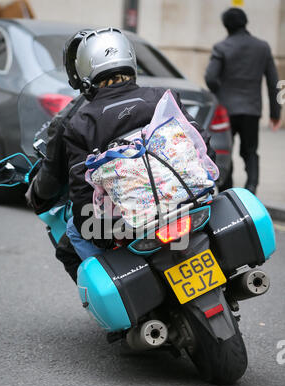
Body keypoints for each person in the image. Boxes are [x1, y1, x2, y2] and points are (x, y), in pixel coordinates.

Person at [27, 27, 216, 282]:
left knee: (73, 233)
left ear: (84, 71)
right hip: (189, 201)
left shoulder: (81, 123)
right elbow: (203, 148)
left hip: (129, 223)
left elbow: (83, 194)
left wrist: (100, 235)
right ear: (130, 59)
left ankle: (124, 310)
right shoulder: (162, 98)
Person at [205, 7, 282, 194]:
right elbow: (274, 83)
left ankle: (227, 188)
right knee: (250, 151)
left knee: (226, 151)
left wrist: (219, 91)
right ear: (245, 22)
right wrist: (275, 113)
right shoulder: (262, 47)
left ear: (226, 25)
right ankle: (251, 186)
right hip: (251, 110)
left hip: (226, 110)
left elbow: (210, 78)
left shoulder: (221, 48)